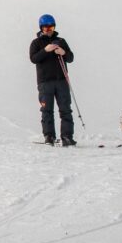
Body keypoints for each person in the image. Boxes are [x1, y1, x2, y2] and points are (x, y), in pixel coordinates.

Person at [29, 14, 76, 146]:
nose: (49, 29)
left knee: (65, 109)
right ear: (41, 28)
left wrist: (63, 52)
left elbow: (71, 58)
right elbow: (33, 59)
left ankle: (67, 137)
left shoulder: (61, 41)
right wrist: (45, 50)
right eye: (46, 27)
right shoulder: (36, 43)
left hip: (61, 81)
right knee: (46, 110)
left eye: (51, 26)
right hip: (45, 82)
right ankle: (49, 136)